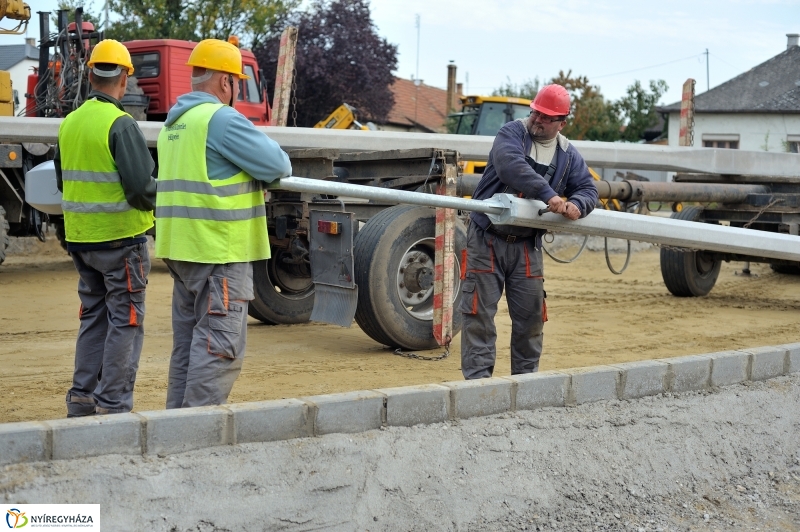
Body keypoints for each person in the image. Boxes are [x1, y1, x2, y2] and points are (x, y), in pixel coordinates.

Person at [155, 39, 292, 408]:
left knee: (187, 352)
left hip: (183, 253)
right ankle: (194, 442)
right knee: (218, 351)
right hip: (218, 251)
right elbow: (279, 166)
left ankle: (173, 431)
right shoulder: (220, 119)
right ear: (226, 83)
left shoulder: (174, 124)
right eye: (237, 84)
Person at [460, 84, 599, 379]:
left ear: (562, 123)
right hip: (487, 238)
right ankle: (476, 386)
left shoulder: (567, 155)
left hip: (527, 245)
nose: (538, 119)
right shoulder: (511, 133)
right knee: (479, 315)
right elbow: (512, 167)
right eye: (536, 112)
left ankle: (525, 385)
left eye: (547, 117)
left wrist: (578, 204)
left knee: (531, 319)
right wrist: (550, 195)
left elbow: (588, 189)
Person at [55, 40, 157, 416]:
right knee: (125, 322)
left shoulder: (70, 123)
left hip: (83, 242)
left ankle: (82, 399)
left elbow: (65, 182)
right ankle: (113, 405)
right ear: (125, 77)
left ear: (90, 74)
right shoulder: (121, 123)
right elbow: (142, 188)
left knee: (94, 318)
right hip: (121, 245)